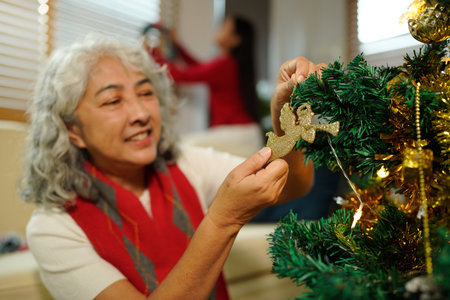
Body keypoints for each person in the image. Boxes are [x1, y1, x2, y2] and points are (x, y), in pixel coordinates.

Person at [21, 33, 323, 300]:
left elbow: (295, 185)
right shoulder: (52, 227)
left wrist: (286, 115)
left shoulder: (186, 164)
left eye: (145, 93)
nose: (141, 113)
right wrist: (222, 221)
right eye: (113, 101)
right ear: (72, 130)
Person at [144, 16, 264, 157]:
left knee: (181, 147)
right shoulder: (228, 64)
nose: (217, 29)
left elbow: (184, 76)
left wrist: (152, 53)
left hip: (238, 133)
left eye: (224, 27)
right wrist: (177, 45)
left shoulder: (225, 65)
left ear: (235, 39)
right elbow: (198, 67)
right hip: (245, 133)